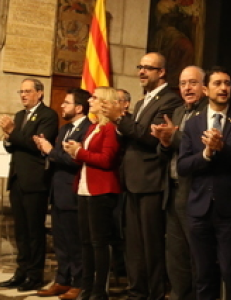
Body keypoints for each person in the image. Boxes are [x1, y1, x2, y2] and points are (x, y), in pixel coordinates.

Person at [178, 67, 231, 300]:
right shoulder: (193, 124)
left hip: (230, 209)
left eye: (227, 83)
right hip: (199, 209)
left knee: (230, 272)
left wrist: (222, 149)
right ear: (205, 89)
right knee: (203, 274)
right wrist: (206, 154)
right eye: (218, 83)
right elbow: (182, 166)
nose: (224, 88)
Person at [116, 52, 183, 300]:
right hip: (133, 180)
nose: (141, 72)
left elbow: (149, 137)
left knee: (151, 244)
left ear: (161, 72)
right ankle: (137, 292)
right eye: (140, 67)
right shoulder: (142, 101)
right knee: (134, 245)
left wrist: (119, 119)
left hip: (151, 181)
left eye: (148, 68)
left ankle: (154, 293)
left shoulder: (170, 100)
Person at [147, 65, 208, 300]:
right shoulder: (179, 112)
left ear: (204, 87)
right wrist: (164, 142)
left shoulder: (208, 112)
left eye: (193, 83)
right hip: (173, 189)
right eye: (183, 84)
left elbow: (200, 145)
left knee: (196, 253)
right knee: (175, 253)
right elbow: (165, 152)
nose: (187, 88)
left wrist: (173, 136)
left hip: (195, 190)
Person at [0, 78, 59, 291]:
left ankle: (35, 275)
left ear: (39, 93)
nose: (23, 95)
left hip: (35, 181)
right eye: (21, 91)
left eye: (27, 91)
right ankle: (21, 272)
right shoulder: (19, 115)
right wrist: (8, 139)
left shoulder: (47, 115)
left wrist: (12, 133)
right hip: (17, 179)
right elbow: (14, 145)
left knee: (34, 231)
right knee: (21, 231)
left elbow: (36, 146)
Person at [64, 87, 122, 300]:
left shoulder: (109, 128)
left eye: (95, 98)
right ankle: (86, 288)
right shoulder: (93, 127)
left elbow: (107, 160)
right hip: (85, 188)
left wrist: (80, 152)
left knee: (99, 243)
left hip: (102, 190)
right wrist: (75, 150)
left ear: (105, 102)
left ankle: (99, 291)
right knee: (86, 242)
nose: (90, 100)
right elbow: (87, 155)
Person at [33, 88, 92, 300]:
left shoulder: (87, 129)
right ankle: (62, 279)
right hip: (57, 191)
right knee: (61, 241)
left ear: (79, 107)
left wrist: (51, 151)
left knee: (75, 242)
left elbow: (76, 159)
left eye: (67, 103)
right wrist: (45, 150)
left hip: (73, 192)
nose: (62, 105)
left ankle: (79, 283)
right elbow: (58, 157)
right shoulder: (65, 128)